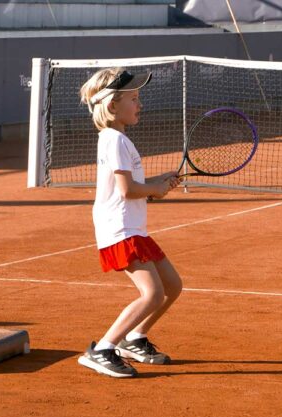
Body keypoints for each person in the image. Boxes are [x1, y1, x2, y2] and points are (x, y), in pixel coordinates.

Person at [76, 68, 183, 378]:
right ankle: (103, 349)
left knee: (172, 286)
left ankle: (134, 338)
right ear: (112, 106)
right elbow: (128, 191)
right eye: (134, 99)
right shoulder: (115, 141)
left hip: (132, 228)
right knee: (151, 294)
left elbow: (133, 185)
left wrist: (158, 182)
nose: (140, 104)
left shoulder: (117, 139)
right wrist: (154, 190)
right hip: (121, 230)